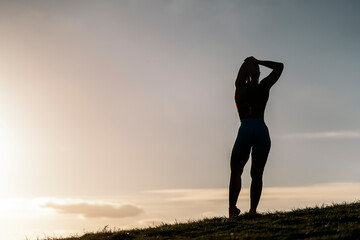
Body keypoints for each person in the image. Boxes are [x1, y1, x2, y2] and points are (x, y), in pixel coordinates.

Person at [229, 56, 284, 218]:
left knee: (236, 172)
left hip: (245, 128)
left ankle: (232, 210)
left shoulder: (239, 88)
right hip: (260, 128)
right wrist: (258, 62)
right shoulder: (264, 87)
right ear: (258, 73)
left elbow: (240, 76)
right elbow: (279, 66)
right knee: (257, 174)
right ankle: (252, 210)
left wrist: (247, 64)